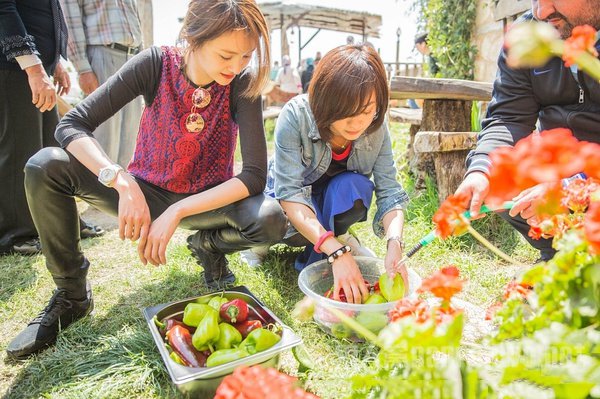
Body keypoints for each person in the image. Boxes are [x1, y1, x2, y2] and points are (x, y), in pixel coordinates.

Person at [6, 0, 287, 360]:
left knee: (270, 218)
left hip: (204, 201)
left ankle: (210, 246)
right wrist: (121, 181)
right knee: (45, 165)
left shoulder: (243, 84)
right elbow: (71, 125)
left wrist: (177, 212)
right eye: (226, 56)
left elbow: (253, 176)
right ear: (194, 37)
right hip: (145, 191)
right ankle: (72, 294)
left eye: (246, 56)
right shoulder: (157, 63)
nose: (236, 67)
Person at [455, 0, 600, 262]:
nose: (541, 12)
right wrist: (481, 170)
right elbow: (508, 116)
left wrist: (571, 187)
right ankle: (557, 254)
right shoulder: (528, 34)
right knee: (499, 173)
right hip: (560, 164)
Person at [269, 44, 410, 304]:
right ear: (325, 102)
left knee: (354, 186)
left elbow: (390, 191)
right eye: (346, 113)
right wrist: (337, 252)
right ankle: (272, 245)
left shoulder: (376, 126)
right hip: (295, 203)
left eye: (367, 111)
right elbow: (289, 194)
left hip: (333, 199)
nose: (357, 123)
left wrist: (394, 243)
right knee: (269, 219)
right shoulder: (296, 116)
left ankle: (337, 236)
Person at [0, 0, 103, 257]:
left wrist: (54, 63)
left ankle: (65, 225)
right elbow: (5, 9)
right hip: (14, 69)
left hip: (39, 67)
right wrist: (34, 69)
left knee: (53, 149)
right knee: (19, 150)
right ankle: (16, 235)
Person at [61, 0, 151, 167]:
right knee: (105, 138)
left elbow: (136, 20)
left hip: (133, 57)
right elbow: (70, 21)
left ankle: (122, 190)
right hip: (102, 54)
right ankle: (98, 191)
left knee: (131, 141)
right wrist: (83, 68)